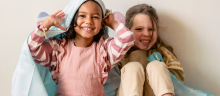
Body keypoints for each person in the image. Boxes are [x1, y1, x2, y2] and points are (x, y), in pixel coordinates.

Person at [27, 0, 134, 95]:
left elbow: (127, 38)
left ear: (101, 23)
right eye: (82, 16)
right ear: (73, 19)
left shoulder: (104, 52)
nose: (89, 21)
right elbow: (33, 48)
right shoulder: (58, 49)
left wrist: (112, 23)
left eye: (95, 17)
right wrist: (46, 24)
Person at [104, 4, 185, 96]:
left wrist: (156, 74)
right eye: (139, 29)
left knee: (156, 66)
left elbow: (178, 83)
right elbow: (109, 84)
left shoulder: (162, 52)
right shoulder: (119, 54)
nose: (146, 34)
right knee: (133, 67)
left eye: (151, 29)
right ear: (127, 31)